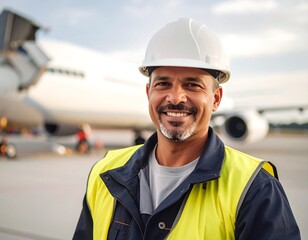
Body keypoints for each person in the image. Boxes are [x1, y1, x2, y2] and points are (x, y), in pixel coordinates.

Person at [73, 18, 300, 239]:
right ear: (148, 93)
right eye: (163, 83)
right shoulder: (104, 173)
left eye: (192, 85)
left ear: (216, 99)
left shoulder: (255, 189)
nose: (175, 97)